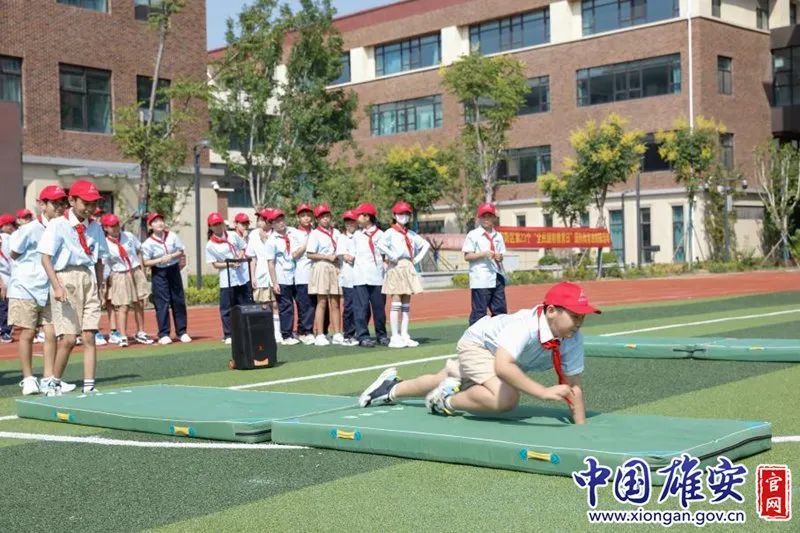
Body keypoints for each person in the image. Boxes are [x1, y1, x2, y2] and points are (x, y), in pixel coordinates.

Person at [359, 281, 600, 424]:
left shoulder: (572, 337)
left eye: (583, 317)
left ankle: (390, 388)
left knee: (444, 379)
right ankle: (444, 401)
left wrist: (580, 428)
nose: (579, 323)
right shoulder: (526, 326)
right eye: (575, 316)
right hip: (478, 345)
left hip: (497, 354)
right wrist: (543, 392)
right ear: (551, 311)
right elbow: (503, 367)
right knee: (506, 398)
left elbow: (573, 385)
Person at [38, 179, 110, 395]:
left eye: (93, 203)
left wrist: (100, 285)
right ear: (71, 201)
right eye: (85, 203)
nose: (90, 208)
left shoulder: (95, 227)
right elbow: (45, 258)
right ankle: (54, 381)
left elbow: (99, 259)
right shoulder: (58, 224)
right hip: (65, 278)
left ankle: (89, 385)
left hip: (88, 277)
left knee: (89, 335)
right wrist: (57, 286)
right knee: (69, 338)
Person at [9, 186, 75, 395]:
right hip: (26, 287)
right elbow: (14, 252)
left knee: (52, 332)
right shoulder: (30, 229)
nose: (59, 207)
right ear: (42, 204)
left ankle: (48, 378)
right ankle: (28, 378)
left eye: (62, 203)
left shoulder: (64, 227)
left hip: (50, 287)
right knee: (27, 332)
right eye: (54, 203)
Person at [377, 201, 430, 348]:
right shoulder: (390, 232)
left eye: (406, 214)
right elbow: (380, 245)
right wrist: (391, 255)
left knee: (406, 303)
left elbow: (425, 245)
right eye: (400, 214)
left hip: (408, 266)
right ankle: (395, 336)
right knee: (396, 300)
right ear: (394, 215)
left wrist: (418, 258)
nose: (404, 216)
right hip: (396, 266)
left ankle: (405, 334)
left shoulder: (411, 234)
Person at [100, 214, 153, 347]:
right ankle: (123, 335)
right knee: (122, 306)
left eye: (117, 224)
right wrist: (104, 282)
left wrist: (142, 269)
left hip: (135, 270)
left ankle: (140, 332)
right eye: (112, 226)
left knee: (139, 303)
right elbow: (105, 264)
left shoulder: (128, 236)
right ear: (106, 228)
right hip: (120, 274)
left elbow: (139, 250)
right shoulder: (104, 243)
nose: (115, 228)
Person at [141, 212, 191, 345]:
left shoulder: (172, 236)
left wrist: (172, 256)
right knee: (162, 303)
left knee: (178, 300)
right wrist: (160, 260)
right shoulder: (148, 243)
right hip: (159, 272)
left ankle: (182, 331)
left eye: (161, 220)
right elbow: (146, 262)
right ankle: (164, 333)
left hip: (173, 269)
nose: (159, 223)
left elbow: (181, 251)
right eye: (155, 221)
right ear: (150, 225)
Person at [205, 212, 250, 344]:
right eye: (215, 224)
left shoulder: (233, 235)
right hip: (227, 279)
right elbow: (215, 264)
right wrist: (230, 264)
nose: (218, 226)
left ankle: (245, 331)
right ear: (210, 227)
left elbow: (243, 247)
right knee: (227, 308)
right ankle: (229, 334)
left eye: (219, 223)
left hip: (241, 276)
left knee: (244, 305)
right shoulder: (210, 245)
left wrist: (239, 258)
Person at [463, 203, 508, 325]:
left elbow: (501, 255)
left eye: (490, 216)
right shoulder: (473, 235)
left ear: (494, 218)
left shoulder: (498, 236)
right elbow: (467, 256)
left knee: (500, 310)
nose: (487, 219)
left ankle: (499, 333)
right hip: (481, 277)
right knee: (479, 312)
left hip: (497, 276)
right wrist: (483, 254)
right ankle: (474, 335)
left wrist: (499, 257)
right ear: (479, 218)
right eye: (484, 216)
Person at [306, 203, 344, 346]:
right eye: (322, 217)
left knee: (335, 301)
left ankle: (337, 333)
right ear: (317, 219)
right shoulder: (315, 234)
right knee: (321, 301)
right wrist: (326, 257)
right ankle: (320, 334)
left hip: (335, 267)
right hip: (322, 266)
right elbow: (309, 254)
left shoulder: (337, 232)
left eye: (327, 216)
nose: (325, 219)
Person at [351, 202, 388, 348]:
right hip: (360, 277)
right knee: (361, 309)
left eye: (359, 215)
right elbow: (351, 254)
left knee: (379, 309)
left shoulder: (381, 235)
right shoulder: (356, 235)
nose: (357, 219)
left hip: (377, 277)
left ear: (367, 217)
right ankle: (362, 336)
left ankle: (381, 335)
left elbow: (386, 255)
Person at [246, 208, 282, 343]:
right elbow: (252, 258)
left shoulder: (276, 234)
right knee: (263, 304)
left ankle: (277, 332)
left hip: (276, 274)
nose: (259, 222)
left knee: (275, 304)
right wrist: (253, 276)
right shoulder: (253, 235)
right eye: (258, 219)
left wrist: (266, 239)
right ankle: (264, 332)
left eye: (262, 219)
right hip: (260, 274)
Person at [266, 209, 300, 345]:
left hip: (297, 275)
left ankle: (301, 331)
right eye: (277, 221)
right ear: (272, 224)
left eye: (282, 220)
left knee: (301, 304)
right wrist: (275, 283)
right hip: (282, 277)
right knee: (286, 307)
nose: (281, 223)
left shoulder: (293, 232)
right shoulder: (271, 241)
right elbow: (270, 263)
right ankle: (286, 335)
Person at [335, 209, 360, 346]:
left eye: (352, 221)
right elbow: (345, 256)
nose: (350, 224)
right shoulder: (342, 238)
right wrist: (356, 257)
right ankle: (348, 334)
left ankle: (359, 332)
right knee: (349, 307)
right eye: (347, 222)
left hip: (361, 278)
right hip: (348, 278)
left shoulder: (361, 236)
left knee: (361, 306)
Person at [293, 203, 315, 345]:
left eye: (308, 215)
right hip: (302, 274)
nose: (306, 218)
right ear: (298, 218)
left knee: (314, 304)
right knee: (305, 305)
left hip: (316, 273)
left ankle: (309, 330)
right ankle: (304, 331)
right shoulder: (294, 233)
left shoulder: (316, 231)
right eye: (303, 216)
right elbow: (294, 254)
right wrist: (308, 243)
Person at [0, 213, 16, 343]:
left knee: (5, 305)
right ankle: (4, 331)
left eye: (12, 224)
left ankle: (5, 330)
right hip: (4, 277)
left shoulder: (11, 238)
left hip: (9, 277)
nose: (11, 227)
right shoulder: (4, 239)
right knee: (4, 306)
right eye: (8, 224)